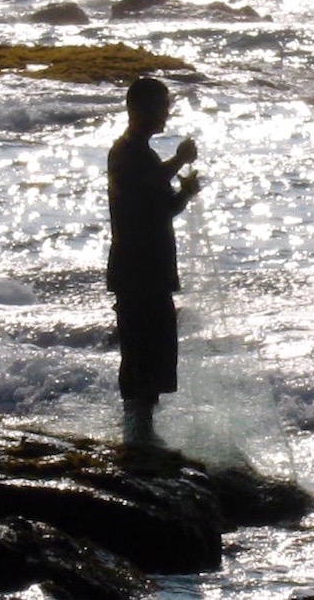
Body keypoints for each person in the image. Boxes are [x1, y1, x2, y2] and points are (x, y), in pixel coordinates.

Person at [107, 77, 201, 450]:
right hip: (136, 270)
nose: (166, 113)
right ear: (139, 109)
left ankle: (143, 429)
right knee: (141, 348)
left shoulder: (141, 154)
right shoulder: (126, 152)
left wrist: (185, 193)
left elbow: (161, 207)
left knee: (158, 346)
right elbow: (146, 184)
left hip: (151, 270)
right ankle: (137, 432)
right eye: (161, 106)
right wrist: (178, 160)